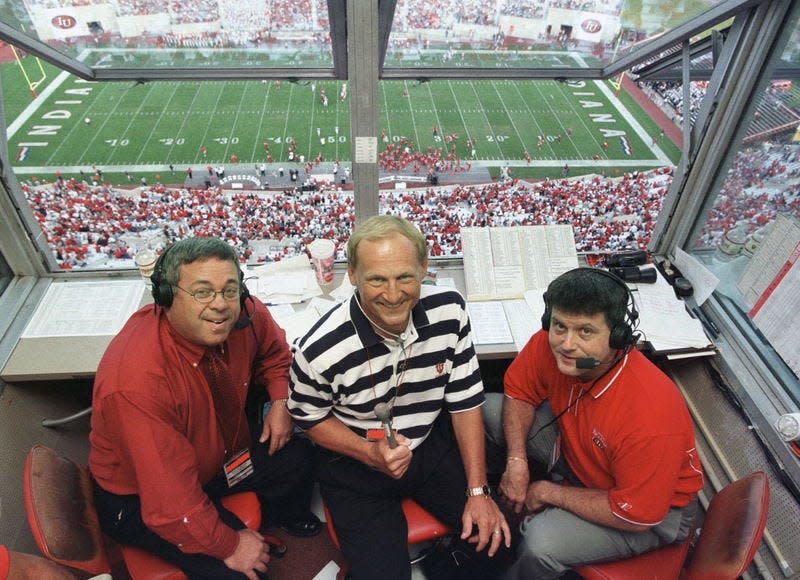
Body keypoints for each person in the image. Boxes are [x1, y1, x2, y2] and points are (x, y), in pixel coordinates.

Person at [288, 215, 511, 579]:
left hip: (427, 445)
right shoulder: (316, 349)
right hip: (354, 462)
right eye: (377, 279)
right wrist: (369, 452)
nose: (393, 295)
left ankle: (444, 564)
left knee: (498, 542)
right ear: (354, 276)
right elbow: (309, 419)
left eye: (405, 277)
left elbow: (465, 401)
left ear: (424, 267)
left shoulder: (451, 311)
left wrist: (478, 491)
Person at [89, 237, 320, 580]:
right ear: (166, 297)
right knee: (244, 574)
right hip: (147, 501)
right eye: (202, 292)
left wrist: (280, 402)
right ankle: (239, 534)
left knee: (299, 455)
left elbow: (276, 355)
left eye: (229, 290)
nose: (221, 305)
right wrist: (229, 545)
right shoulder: (137, 385)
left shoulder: (244, 313)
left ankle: (273, 517)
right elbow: (171, 507)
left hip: (214, 464)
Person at [482, 267, 704, 579]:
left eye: (586, 331)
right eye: (559, 326)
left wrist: (547, 492)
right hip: (581, 460)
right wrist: (516, 461)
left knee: (541, 542)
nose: (567, 345)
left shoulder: (650, 415)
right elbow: (519, 393)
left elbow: (637, 513)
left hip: (647, 514)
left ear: (617, 336)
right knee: (489, 411)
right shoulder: (560, 349)